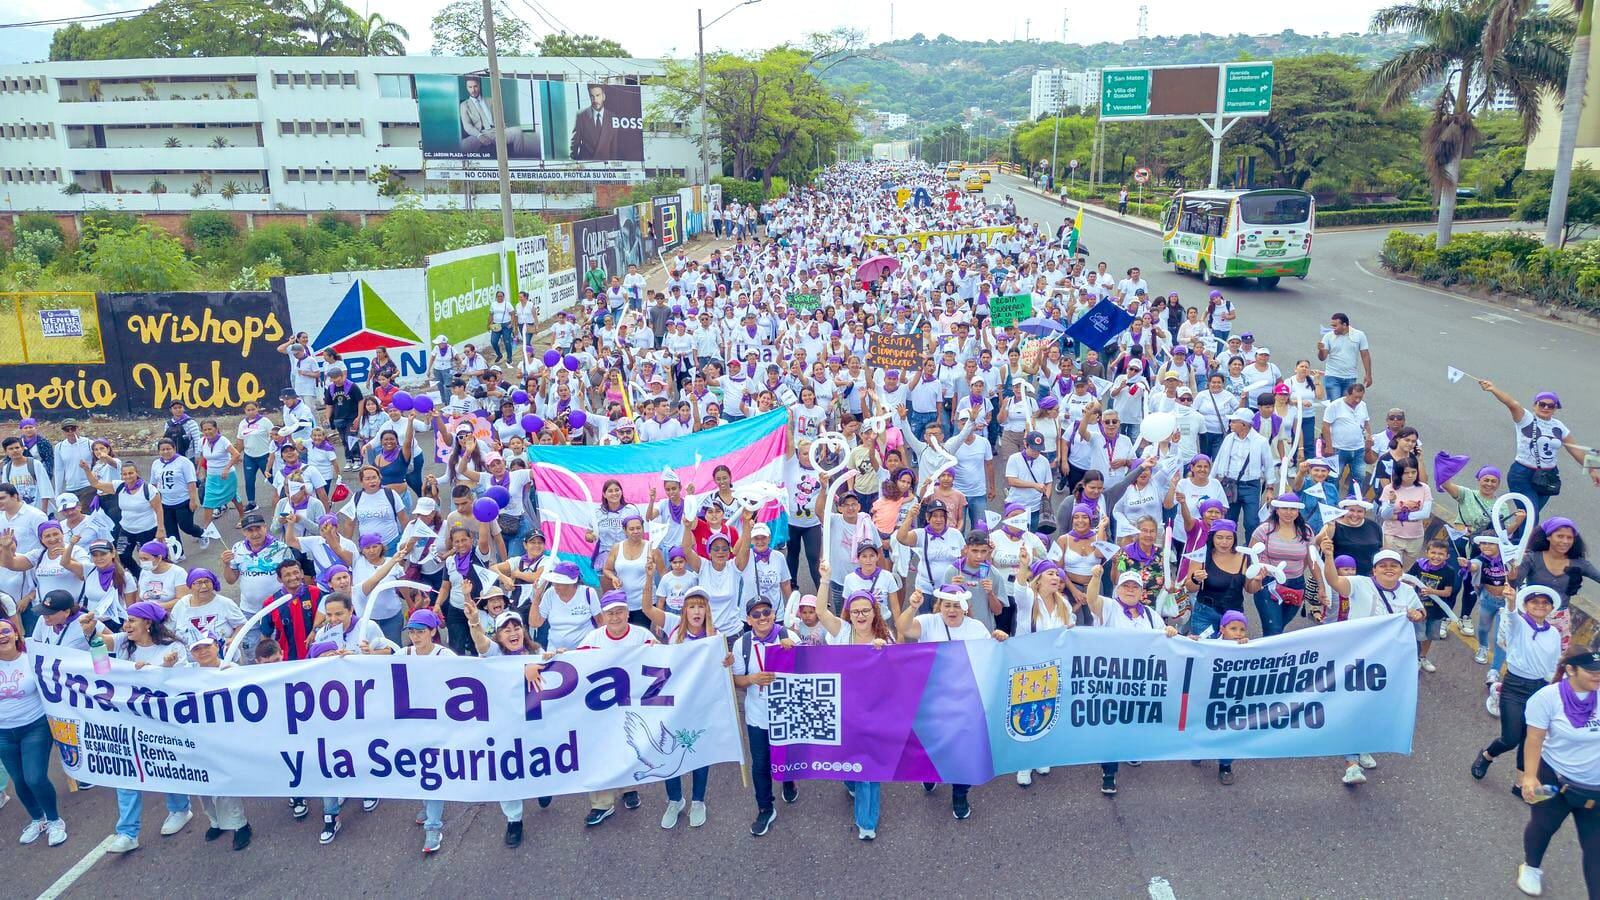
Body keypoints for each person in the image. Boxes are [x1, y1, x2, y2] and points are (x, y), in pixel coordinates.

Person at [1317, 546, 1426, 785]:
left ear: (1400, 570)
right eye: (1383, 565)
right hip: (1358, 656)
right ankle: (1351, 764)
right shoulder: (1359, 583)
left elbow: (1420, 611)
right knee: (1355, 705)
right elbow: (1334, 580)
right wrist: (1327, 556)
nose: (1389, 569)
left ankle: (1362, 747)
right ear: (1374, 570)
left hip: (1389, 660)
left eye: (1394, 565)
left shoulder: (1407, 591)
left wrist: (1417, 614)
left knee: (1374, 706)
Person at [896, 584, 1006, 821]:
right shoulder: (928, 622)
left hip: (965, 701)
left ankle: (959, 794)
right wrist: (912, 607)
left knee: (962, 751)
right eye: (947, 605)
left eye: (956, 606)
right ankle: (929, 773)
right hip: (932, 700)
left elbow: (992, 656)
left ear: (965, 608)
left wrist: (998, 638)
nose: (951, 610)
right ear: (939, 606)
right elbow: (903, 627)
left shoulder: (976, 627)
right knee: (932, 746)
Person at [103, 602, 191, 853]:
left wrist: (161, 669)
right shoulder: (122, 642)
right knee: (126, 773)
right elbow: (101, 668)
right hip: (128, 720)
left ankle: (180, 809)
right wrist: (90, 634)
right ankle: (127, 833)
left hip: (161, 722)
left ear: (148, 623)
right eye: (126, 620)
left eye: (132, 620)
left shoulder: (173, 648)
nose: (126, 625)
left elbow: (182, 685)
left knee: (165, 766)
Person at [1515, 649, 1600, 897]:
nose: (1598, 676)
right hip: (1552, 779)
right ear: (1571, 670)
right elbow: (1534, 738)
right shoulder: (1547, 698)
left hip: (1595, 790)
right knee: (1543, 825)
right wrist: (1530, 776)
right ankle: (1531, 867)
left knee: (1597, 853)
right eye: (1592, 672)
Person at [1474, 585, 1564, 785]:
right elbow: (1512, 616)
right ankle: (1487, 755)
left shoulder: (1554, 634)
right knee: (1511, 738)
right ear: (1526, 605)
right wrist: (1511, 601)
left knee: (1530, 739)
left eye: (1545, 603)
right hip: (1514, 687)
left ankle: (1520, 784)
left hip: (1540, 690)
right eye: (1535, 602)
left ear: (1550, 607)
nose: (1540, 606)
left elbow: (1555, 665)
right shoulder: (1519, 624)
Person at [1478, 381, 1600, 517]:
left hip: (1548, 476)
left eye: (1550, 405)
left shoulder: (1559, 426)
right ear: (1535, 406)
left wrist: (1592, 469)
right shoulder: (1526, 418)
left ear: (1555, 409)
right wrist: (1493, 389)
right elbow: (1513, 404)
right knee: (1531, 514)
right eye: (1542, 404)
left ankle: (1516, 537)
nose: (1546, 407)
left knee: (1529, 516)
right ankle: (1523, 538)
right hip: (1522, 474)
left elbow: (1574, 449)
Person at [0, 616, 68, 846]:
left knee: (35, 778)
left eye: (5, 631)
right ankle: (37, 819)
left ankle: (55, 820)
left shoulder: (33, 660)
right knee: (19, 781)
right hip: (3, 733)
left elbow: (57, 686)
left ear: (16, 634)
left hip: (34, 727)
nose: (2, 636)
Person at [1317, 312, 1372, 401]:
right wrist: (1321, 350)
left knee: (1347, 405)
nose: (1333, 328)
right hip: (1332, 376)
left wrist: (1368, 375)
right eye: (1332, 326)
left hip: (1350, 377)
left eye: (1335, 326)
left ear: (1344, 325)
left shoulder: (1359, 335)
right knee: (1334, 405)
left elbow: (1365, 355)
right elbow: (1322, 358)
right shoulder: (1328, 337)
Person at [571, 83, 619, 160]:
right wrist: (574, 164)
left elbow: (614, 146)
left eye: (598, 95)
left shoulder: (612, 116)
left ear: (603, 96)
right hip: (585, 163)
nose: (595, 100)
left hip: (605, 165)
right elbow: (575, 143)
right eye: (592, 96)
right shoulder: (581, 115)